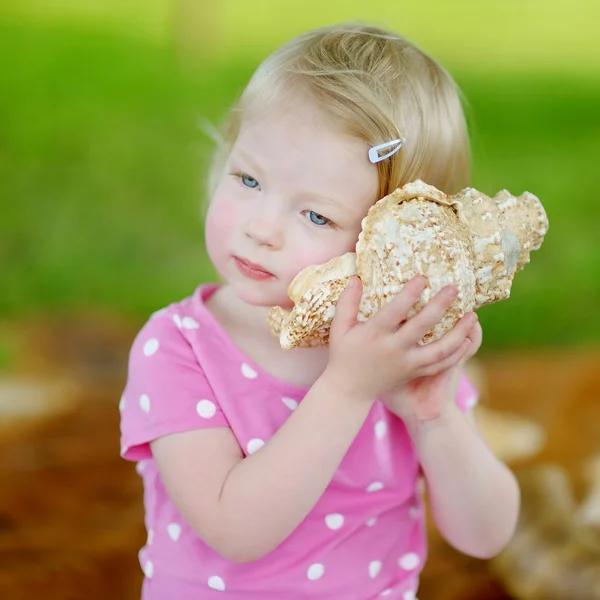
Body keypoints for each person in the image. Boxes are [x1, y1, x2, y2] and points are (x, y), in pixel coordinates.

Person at [119, 22, 520, 600]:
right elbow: (235, 528)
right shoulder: (179, 347)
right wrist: (349, 388)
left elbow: (486, 535)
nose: (261, 227)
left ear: (397, 241)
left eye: (316, 216)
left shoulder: (398, 354)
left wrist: (436, 418)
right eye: (248, 178)